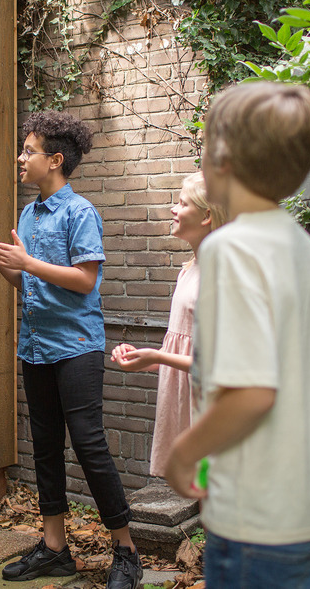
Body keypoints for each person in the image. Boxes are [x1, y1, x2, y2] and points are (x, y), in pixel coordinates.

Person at [163, 82, 310, 588]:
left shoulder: (232, 249)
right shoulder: (298, 243)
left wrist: (183, 453)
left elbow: (251, 393)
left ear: (222, 160)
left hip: (262, 524)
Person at [0, 111, 142, 589]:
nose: (20, 157)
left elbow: (85, 281)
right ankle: (55, 548)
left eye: (28, 151)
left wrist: (27, 261)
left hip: (76, 346)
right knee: (44, 447)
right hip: (36, 347)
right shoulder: (28, 213)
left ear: (55, 160)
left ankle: (126, 549)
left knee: (89, 443)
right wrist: (2, 260)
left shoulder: (80, 213)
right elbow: (26, 279)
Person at [110, 171, 226, 477]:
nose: (173, 209)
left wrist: (157, 355)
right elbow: (184, 352)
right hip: (186, 406)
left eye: (182, 203)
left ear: (207, 216)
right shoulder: (189, 270)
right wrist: (142, 359)